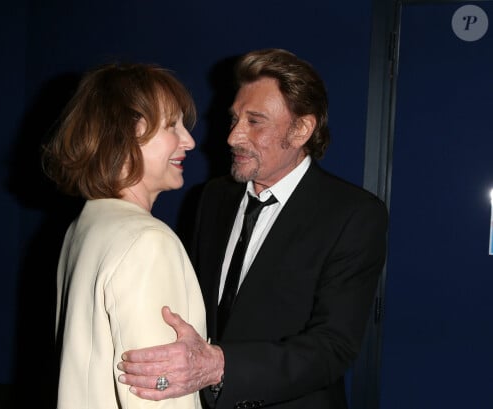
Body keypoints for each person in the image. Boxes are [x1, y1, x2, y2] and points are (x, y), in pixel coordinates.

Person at [117, 49, 388, 409]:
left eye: (255, 121)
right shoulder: (213, 197)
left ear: (301, 129)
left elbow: (333, 347)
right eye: (234, 119)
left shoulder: (353, 214)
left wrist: (218, 367)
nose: (233, 137)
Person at [43, 62, 207, 409]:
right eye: (172, 125)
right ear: (125, 134)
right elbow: (156, 397)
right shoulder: (146, 242)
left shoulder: (86, 226)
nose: (189, 141)